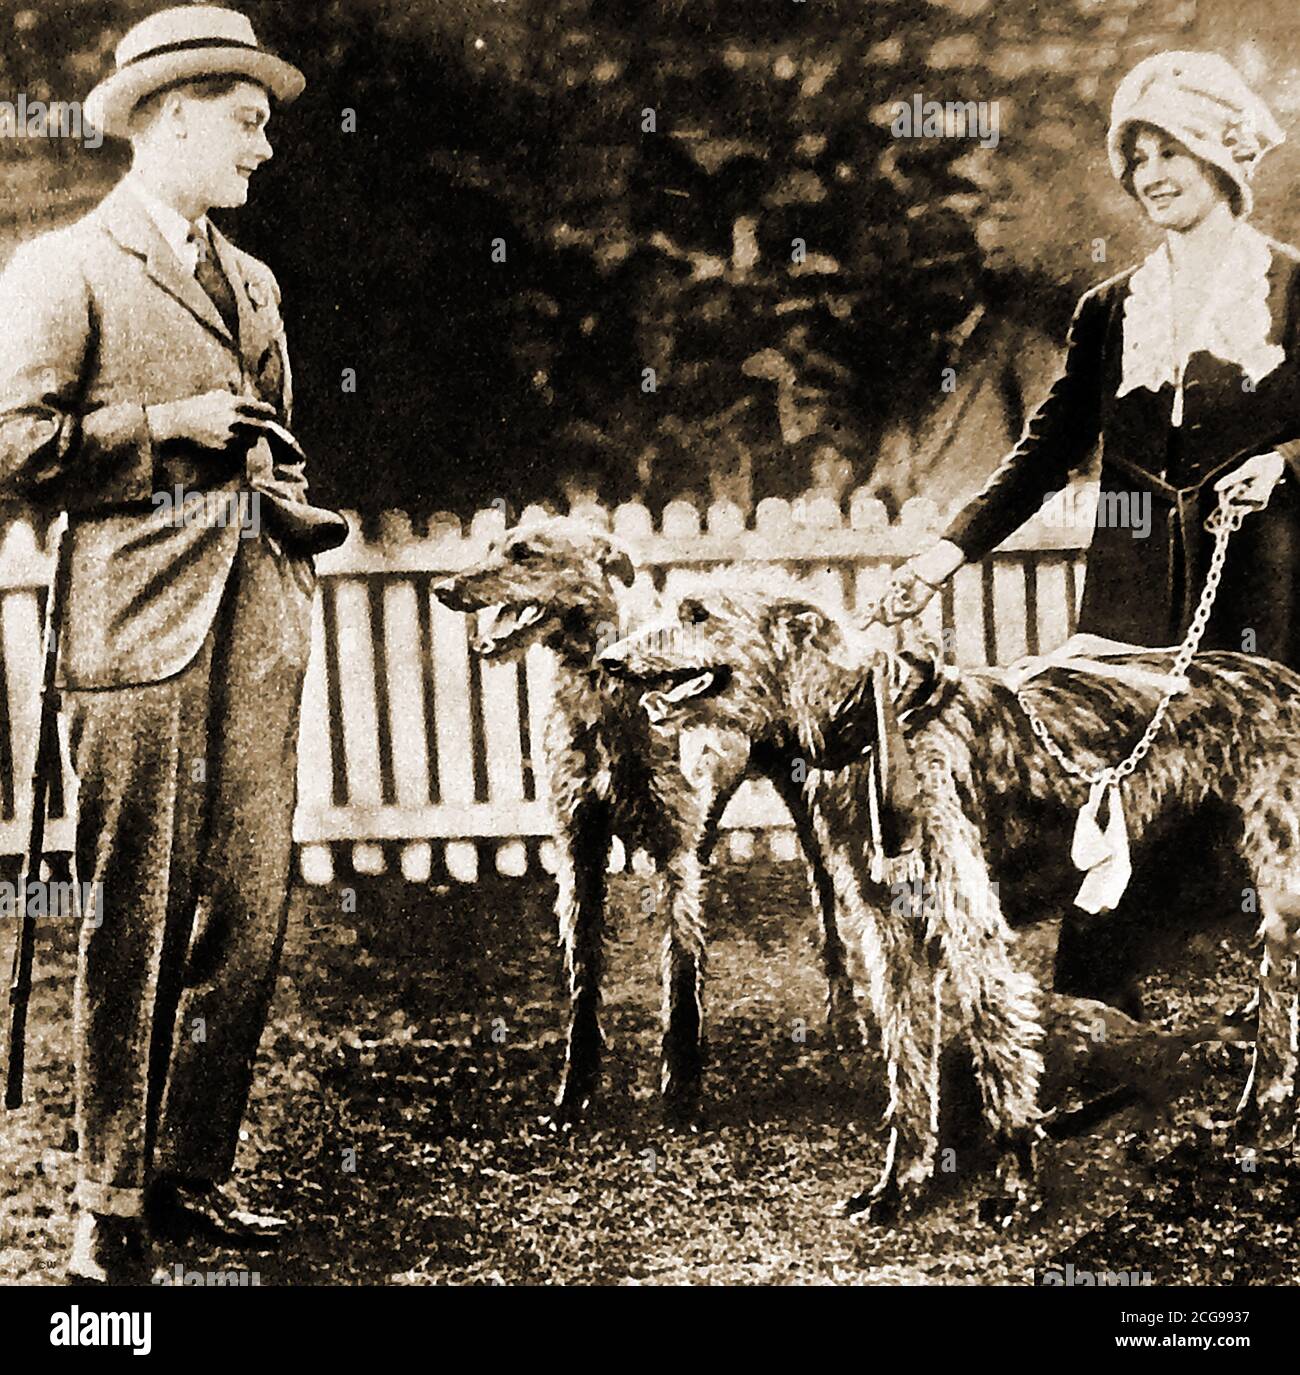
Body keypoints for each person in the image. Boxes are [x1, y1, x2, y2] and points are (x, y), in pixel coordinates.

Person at [0, 5, 347, 1283]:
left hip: (259, 622)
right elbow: (8, 450)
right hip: (132, 634)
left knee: (249, 908)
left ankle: (195, 1170)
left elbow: (267, 435)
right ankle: (108, 1200)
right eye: (248, 125)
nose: (262, 152)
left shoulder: (253, 281)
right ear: (175, 115)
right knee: (132, 917)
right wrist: (167, 423)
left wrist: (285, 490)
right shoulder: (62, 270)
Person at [875, 51, 1300, 1015]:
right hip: (1136, 587)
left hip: (1268, 577)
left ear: (1219, 155)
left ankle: (1269, 1021)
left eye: (1169, 151)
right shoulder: (1110, 312)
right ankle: (1104, 1021)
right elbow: (1046, 450)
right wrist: (944, 555)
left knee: (1275, 804)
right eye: (1136, 155)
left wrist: (1283, 462)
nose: (1150, 174)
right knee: (1119, 802)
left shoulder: (1292, 287)